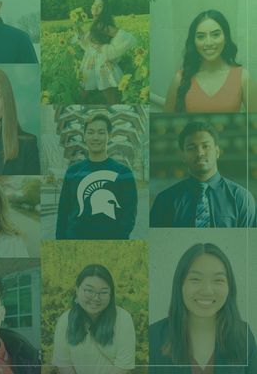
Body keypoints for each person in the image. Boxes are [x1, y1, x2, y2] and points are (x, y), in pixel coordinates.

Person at [149, 243, 257, 373]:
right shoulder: (153, 336)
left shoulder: (244, 336)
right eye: (195, 279)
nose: (207, 291)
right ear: (180, 285)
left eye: (218, 280)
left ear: (230, 287)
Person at [150, 121, 256, 227]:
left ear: (217, 152)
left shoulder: (241, 199)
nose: (200, 153)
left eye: (206, 146)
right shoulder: (165, 200)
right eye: (191, 148)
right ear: (182, 156)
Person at [55, 113, 138, 239]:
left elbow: (129, 214)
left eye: (101, 132)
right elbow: (63, 211)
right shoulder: (73, 171)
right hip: (75, 242)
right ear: (84, 136)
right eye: (90, 132)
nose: (95, 137)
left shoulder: (123, 173)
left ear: (109, 136)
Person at [164, 10, 257, 112]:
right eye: (201, 36)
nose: (208, 42)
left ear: (225, 38)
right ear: (194, 41)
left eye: (215, 35)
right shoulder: (180, 78)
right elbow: (164, 126)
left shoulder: (243, 77)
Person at [53, 264, 136, 374]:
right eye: (89, 291)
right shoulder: (65, 320)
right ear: (77, 290)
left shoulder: (123, 318)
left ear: (111, 294)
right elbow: (64, 364)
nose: (96, 298)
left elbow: (123, 365)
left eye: (103, 292)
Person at [77, 0, 136, 104]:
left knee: (110, 99)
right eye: (94, 4)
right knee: (83, 94)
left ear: (104, 10)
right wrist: (78, 28)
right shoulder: (94, 23)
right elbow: (88, 44)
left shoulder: (101, 25)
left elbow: (127, 37)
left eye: (100, 6)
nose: (95, 7)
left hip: (101, 64)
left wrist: (107, 49)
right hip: (90, 63)